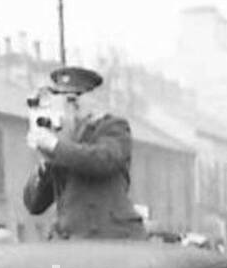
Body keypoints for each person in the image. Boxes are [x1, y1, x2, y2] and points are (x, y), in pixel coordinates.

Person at [22, 65, 145, 240]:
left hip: (111, 237)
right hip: (70, 240)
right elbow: (34, 204)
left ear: (93, 100)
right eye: (64, 100)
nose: (70, 107)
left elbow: (104, 160)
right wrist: (45, 163)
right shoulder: (62, 140)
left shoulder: (112, 127)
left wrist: (56, 146)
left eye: (74, 99)